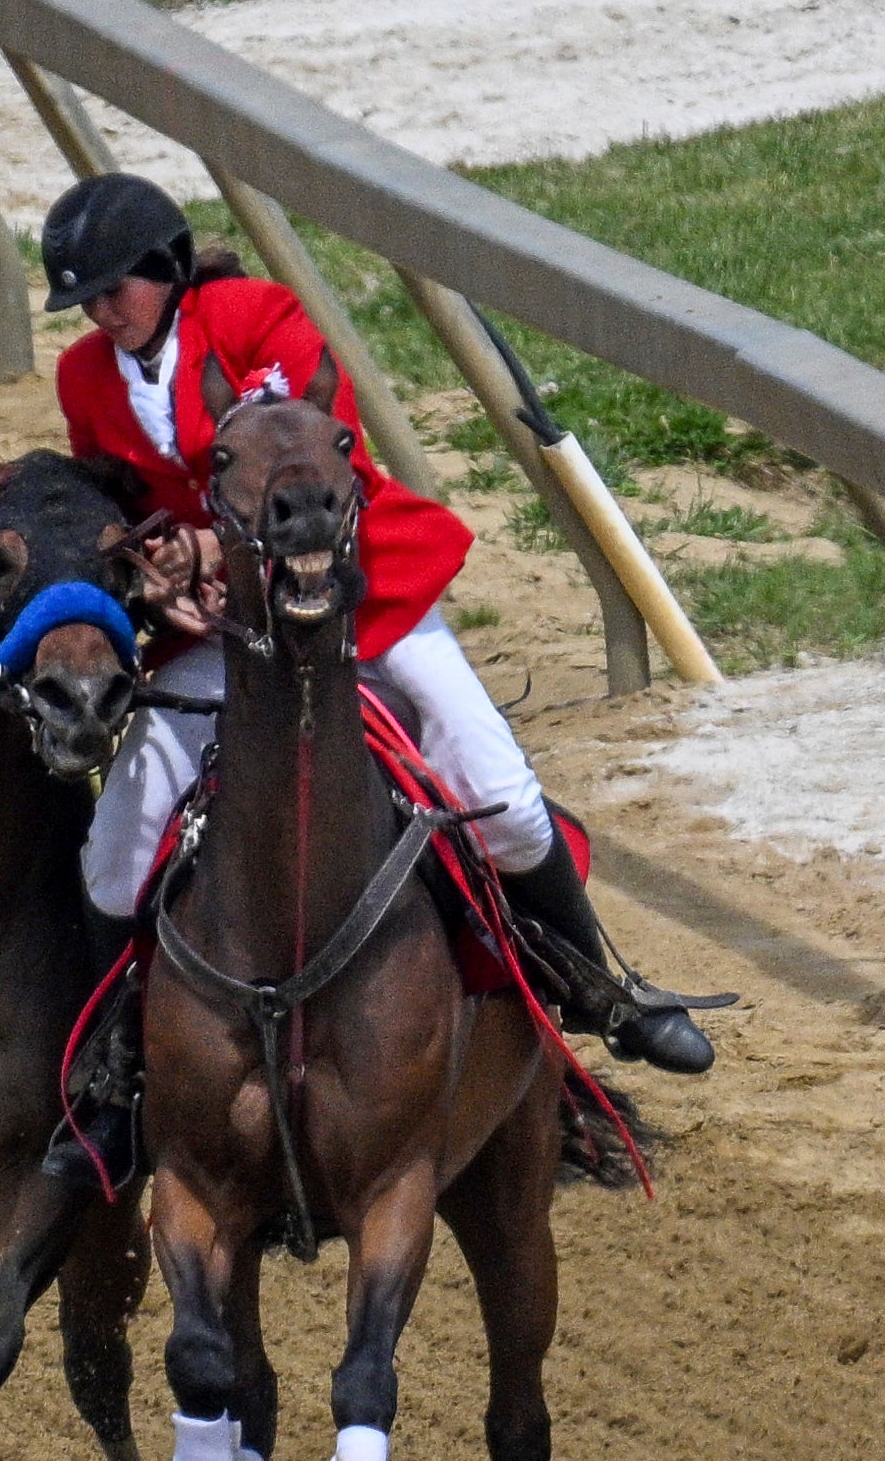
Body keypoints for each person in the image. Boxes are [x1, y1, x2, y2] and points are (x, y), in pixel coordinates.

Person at [39, 173, 718, 1141]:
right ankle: (112, 1063)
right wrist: (151, 565)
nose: (105, 313)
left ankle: (602, 987)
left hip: (363, 597)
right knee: (114, 846)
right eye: (88, 300)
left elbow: (309, 468)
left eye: (117, 289)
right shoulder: (83, 380)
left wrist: (205, 541)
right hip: (228, 633)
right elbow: (117, 502)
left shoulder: (253, 316)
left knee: (504, 799)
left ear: (168, 268)